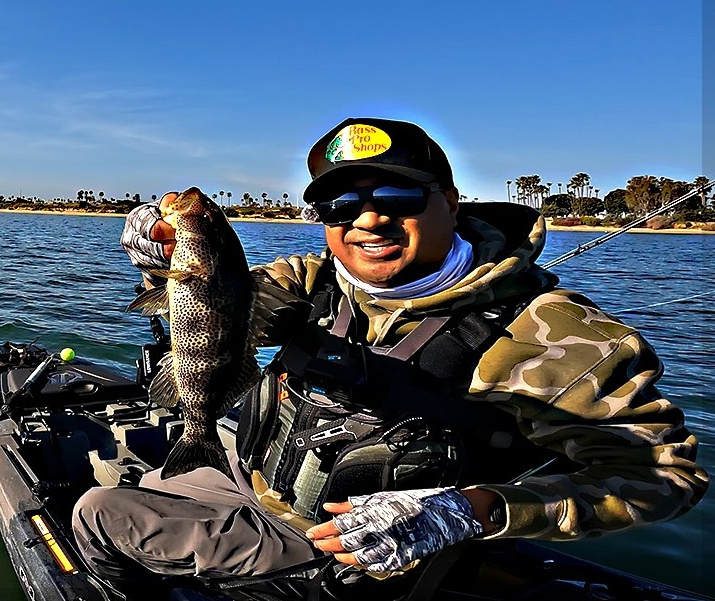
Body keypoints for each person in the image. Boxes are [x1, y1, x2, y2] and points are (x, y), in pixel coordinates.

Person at [72, 118, 707, 597]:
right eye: (339, 207)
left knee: (98, 513)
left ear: (452, 202)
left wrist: (472, 510)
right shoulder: (314, 278)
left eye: (398, 198)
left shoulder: (562, 337)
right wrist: (165, 263)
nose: (367, 221)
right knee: (152, 478)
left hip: (351, 553)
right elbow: (218, 302)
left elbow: (665, 476)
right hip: (255, 471)